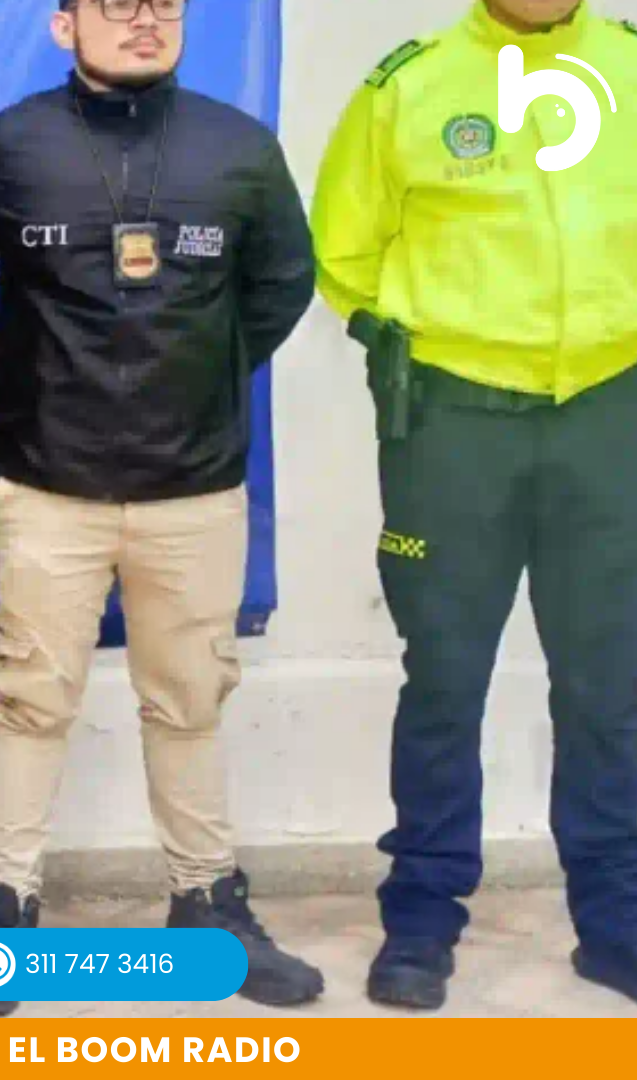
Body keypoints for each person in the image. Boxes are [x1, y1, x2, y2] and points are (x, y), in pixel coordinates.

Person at [0, 0, 323, 1013]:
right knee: (31, 704)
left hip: (194, 489)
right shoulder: (4, 146)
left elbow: (282, 288)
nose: (145, 19)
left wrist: (192, 377)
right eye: (117, 3)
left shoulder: (240, 146)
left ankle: (207, 905)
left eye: (163, 2)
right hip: (51, 486)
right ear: (63, 25)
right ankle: (5, 915)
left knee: (189, 704)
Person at [311, 0, 637, 1009]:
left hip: (611, 414)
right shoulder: (409, 85)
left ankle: (615, 921)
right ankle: (421, 917)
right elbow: (342, 249)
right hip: (453, 429)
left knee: (610, 685)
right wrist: (417, 345)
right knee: (445, 681)